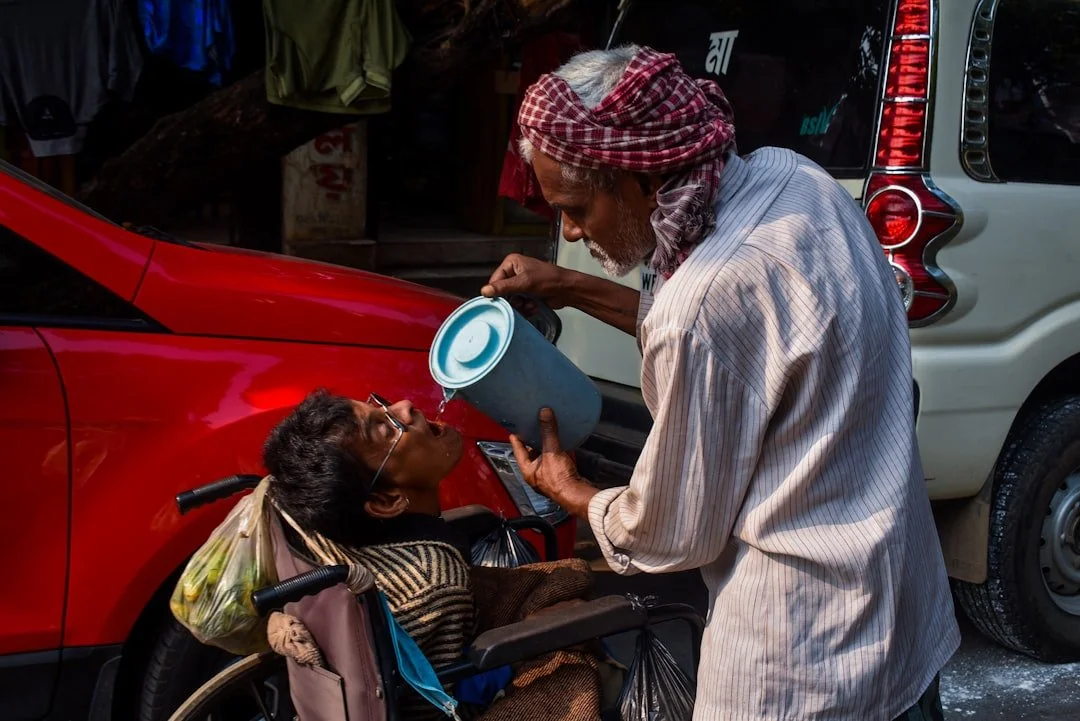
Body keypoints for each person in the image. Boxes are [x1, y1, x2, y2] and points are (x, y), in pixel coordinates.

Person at [483, 45, 960, 721]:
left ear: (641, 178)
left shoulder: (703, 304)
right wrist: (567, 285)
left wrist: (575, 491)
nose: (570, 229)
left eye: (577, 208)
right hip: (902, 617)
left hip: (806, 663)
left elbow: (673, 532)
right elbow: (740, 339)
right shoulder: (796, 180)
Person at [263, 389, 614, 721]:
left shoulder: (306, 520)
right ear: (385, 502)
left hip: (391, 627)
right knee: (575, 647)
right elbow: (444, 692)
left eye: (381, 406)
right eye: (386, 428)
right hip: (440, 691)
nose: (405, 406)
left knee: (565, 582)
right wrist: (532, 638)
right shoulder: (436, 584)